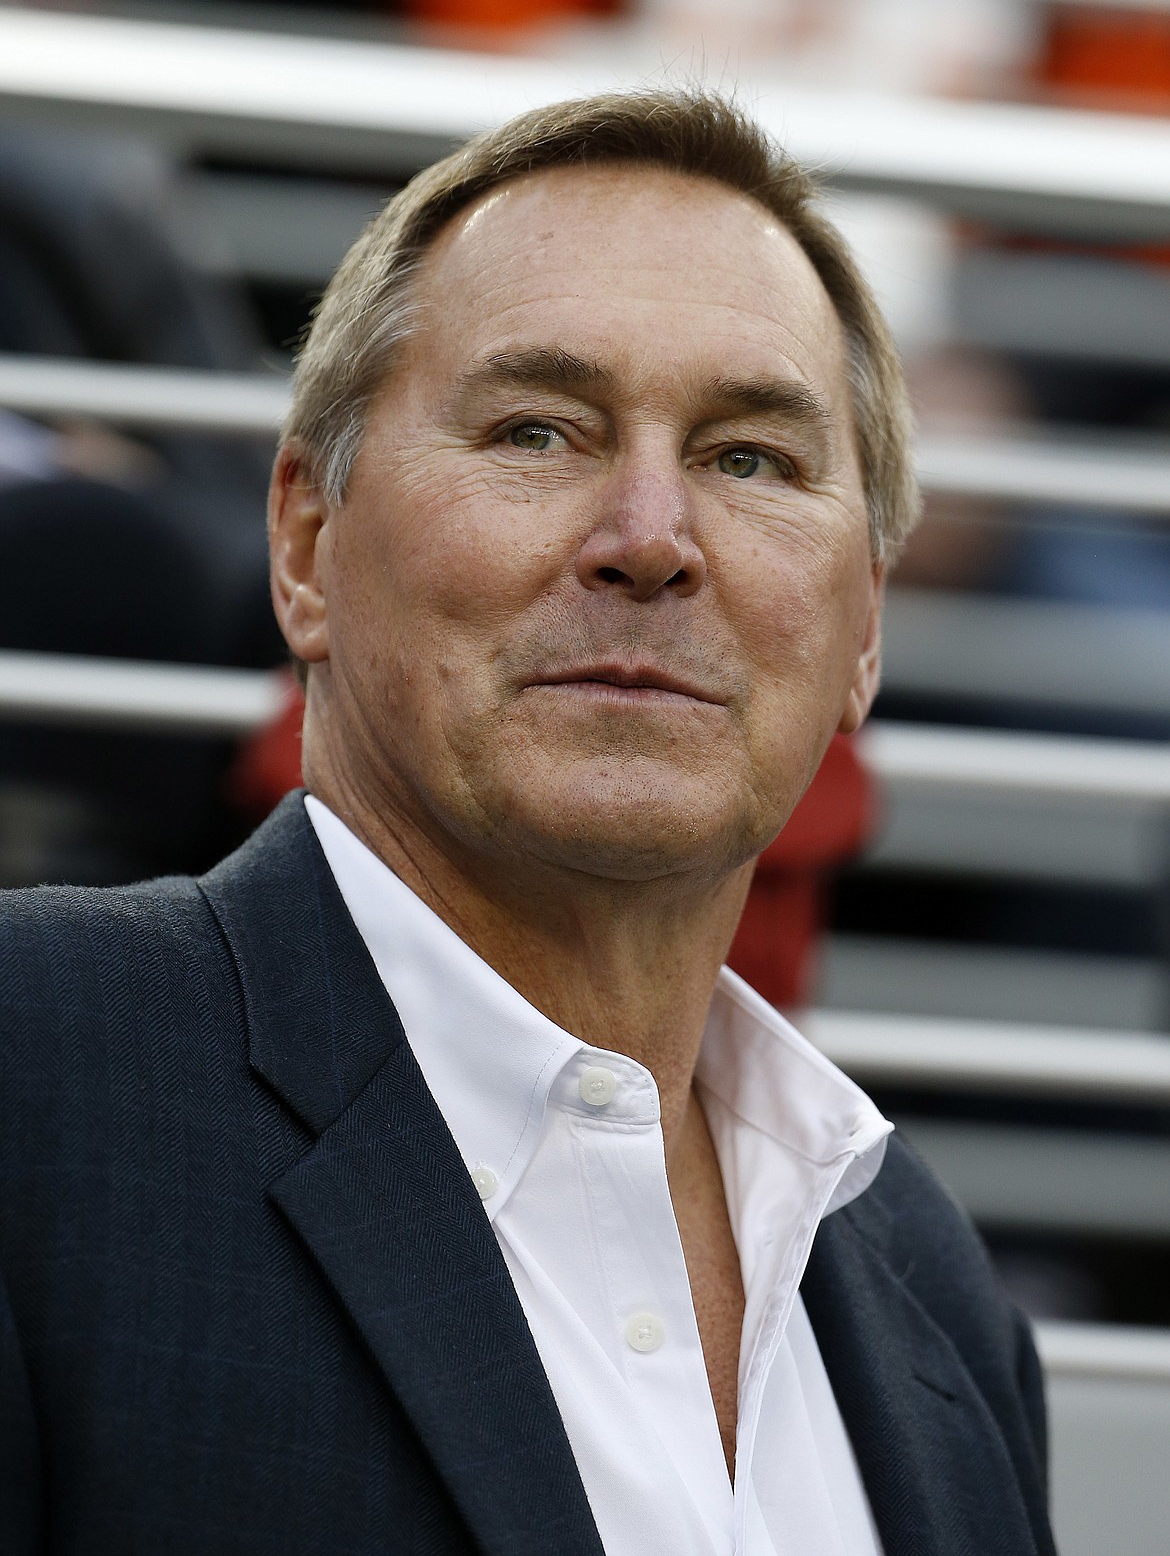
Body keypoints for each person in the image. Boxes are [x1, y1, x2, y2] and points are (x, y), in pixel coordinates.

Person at [0, 90, 1054, 1556]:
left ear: (863, 624)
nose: (648, 538)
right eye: (538, 429)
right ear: (305, 543)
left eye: (750, 456)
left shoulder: (927, 1295)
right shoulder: (33, 1078)